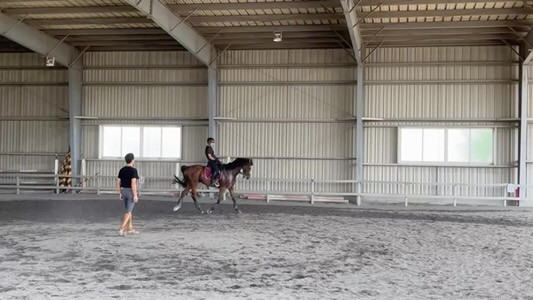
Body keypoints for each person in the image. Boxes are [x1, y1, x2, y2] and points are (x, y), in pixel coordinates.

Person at [117, 153, 139, 236]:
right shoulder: (134, 170)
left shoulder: (122, 170)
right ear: (132, 160)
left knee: (129, 211)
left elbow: (118, 182)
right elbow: (133, 183)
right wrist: (135, 195)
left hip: (123, 191)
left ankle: (130, 228)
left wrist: (119, 193)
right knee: (128, 211)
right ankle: (121, 228)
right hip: (130, 192)